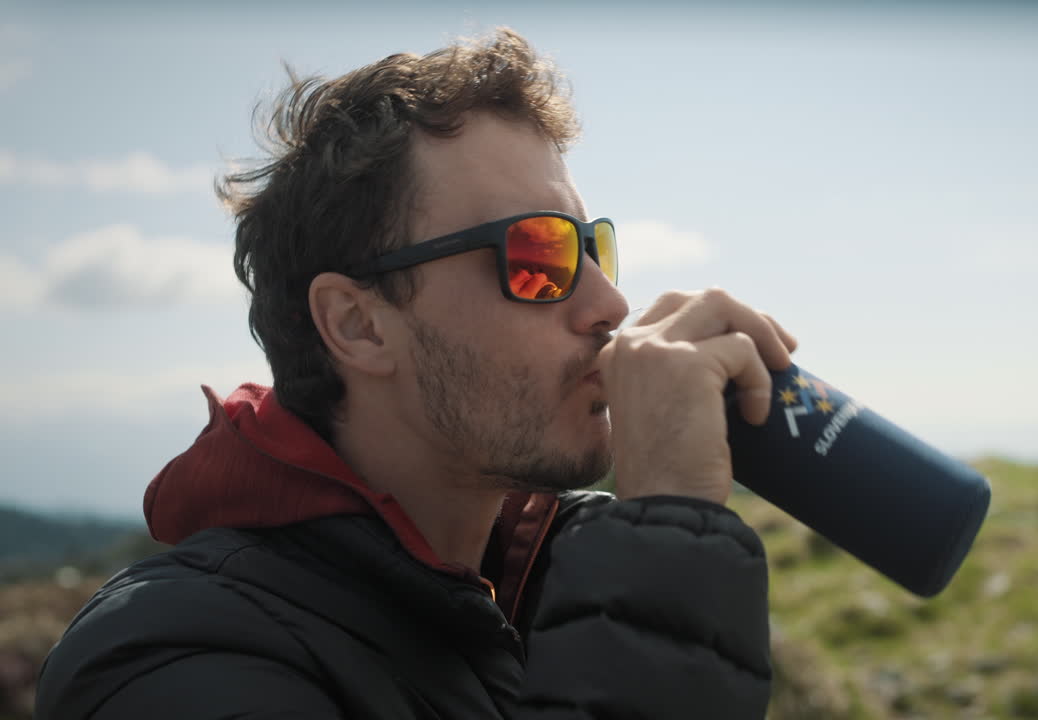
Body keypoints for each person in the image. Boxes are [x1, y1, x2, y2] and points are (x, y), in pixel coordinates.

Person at [35, 28, 797, 719]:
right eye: (538, 256)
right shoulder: (168, 658)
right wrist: (667, 541)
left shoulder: (559, 582)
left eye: (593, 248)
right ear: (359, 325)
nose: (609, 302)